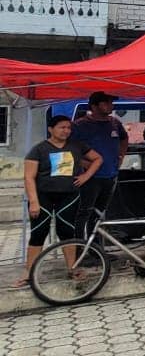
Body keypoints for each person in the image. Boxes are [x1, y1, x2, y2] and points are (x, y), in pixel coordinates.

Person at [16, 116, 102, 287]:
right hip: (43, 197)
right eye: (62, 127)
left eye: (68, 128)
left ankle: (72, 268)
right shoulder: (39, 149)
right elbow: (29, 177)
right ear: (51, 129)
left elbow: (98, 159)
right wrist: (33, 201)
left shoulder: (76, 146)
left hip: (69, 196)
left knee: (67, 232)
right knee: (38, 233)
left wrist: (86, 176)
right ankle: (29, 272)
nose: (66, 131)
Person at [72, 91, 128, 240]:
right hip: (89, 177)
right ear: (94, 106)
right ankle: (78, 247)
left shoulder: (115, 123)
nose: (111, 105)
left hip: (110, 175)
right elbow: (67, 149)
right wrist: (83, 163)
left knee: (99, 214)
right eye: (106, 103)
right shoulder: (80, 125)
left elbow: (124, 138)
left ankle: (95, 247)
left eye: (111, 102)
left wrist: (121, 156)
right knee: (83, 212)